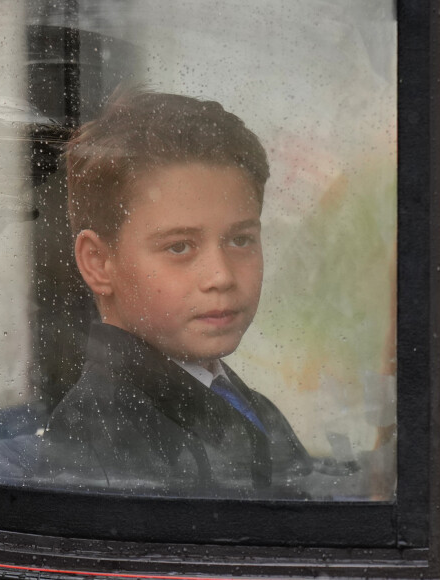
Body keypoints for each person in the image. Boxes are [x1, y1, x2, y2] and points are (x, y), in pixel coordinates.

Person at [39, 87, 337, 498]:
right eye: (179, 246)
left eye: (241, 240)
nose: (221, 276)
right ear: (98, 262)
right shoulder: (107, 446)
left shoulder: (243, 405)